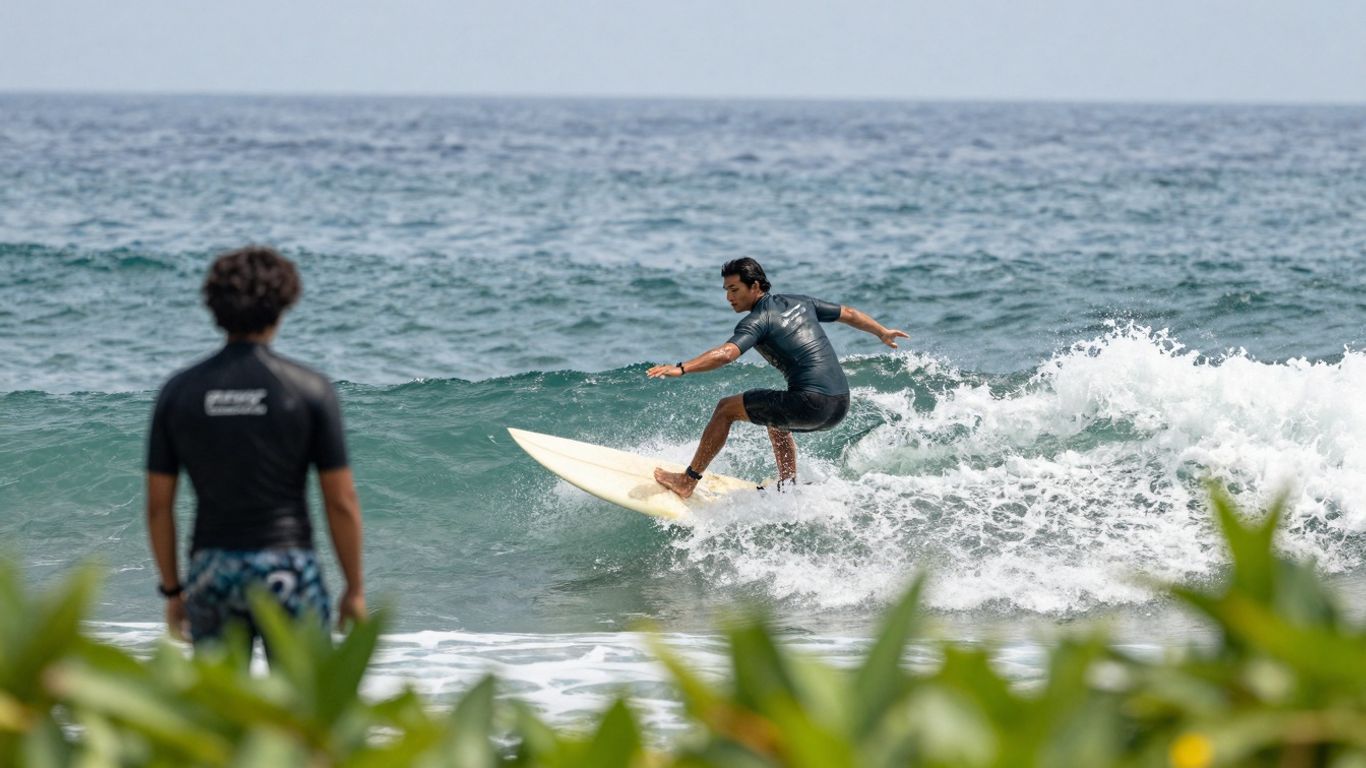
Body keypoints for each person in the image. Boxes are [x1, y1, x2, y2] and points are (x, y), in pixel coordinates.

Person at [145, 245, 365, 653]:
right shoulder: (309, 389)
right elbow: (341, 501)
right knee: (303, 709)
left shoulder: (179, 392)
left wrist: (173, 592)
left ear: (215, 307)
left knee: (225, 711)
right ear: (284, 303)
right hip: (289, 569)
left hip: (212, 572)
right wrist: (354, 588)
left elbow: (159, 506)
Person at [648, 257, 907, 498]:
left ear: (755, 286)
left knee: (726, 408)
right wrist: (881, 331)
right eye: (726, 290)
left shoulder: (758, 321)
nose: (728, 297)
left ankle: (687, 481)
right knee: (776, 418)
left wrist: (682, 368)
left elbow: (727, 354)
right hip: (839, 403)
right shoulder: (801, 302)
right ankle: (787, 485)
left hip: (810, 404)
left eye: (735, 289)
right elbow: (848, 313)